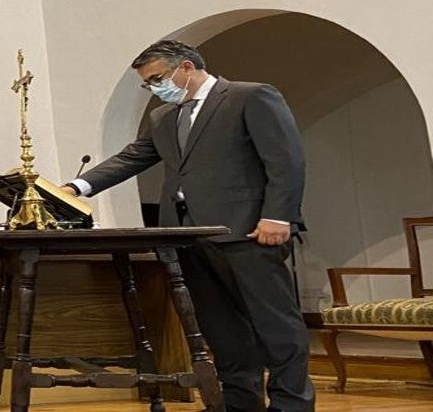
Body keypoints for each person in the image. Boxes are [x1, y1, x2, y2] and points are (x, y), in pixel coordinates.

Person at [61, 40, 312, 412]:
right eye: (148, 84)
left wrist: (279, 216)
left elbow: (285, 160)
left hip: (248, 232)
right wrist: (74, 189)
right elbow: (133, 157)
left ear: (187, 68)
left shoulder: (250, 97)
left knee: (275, 326)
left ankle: (291, 406)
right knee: (222, 330)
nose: (154, 88)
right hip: (188, 237)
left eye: (157, 78)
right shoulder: (164, 118)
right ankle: (241, 405)